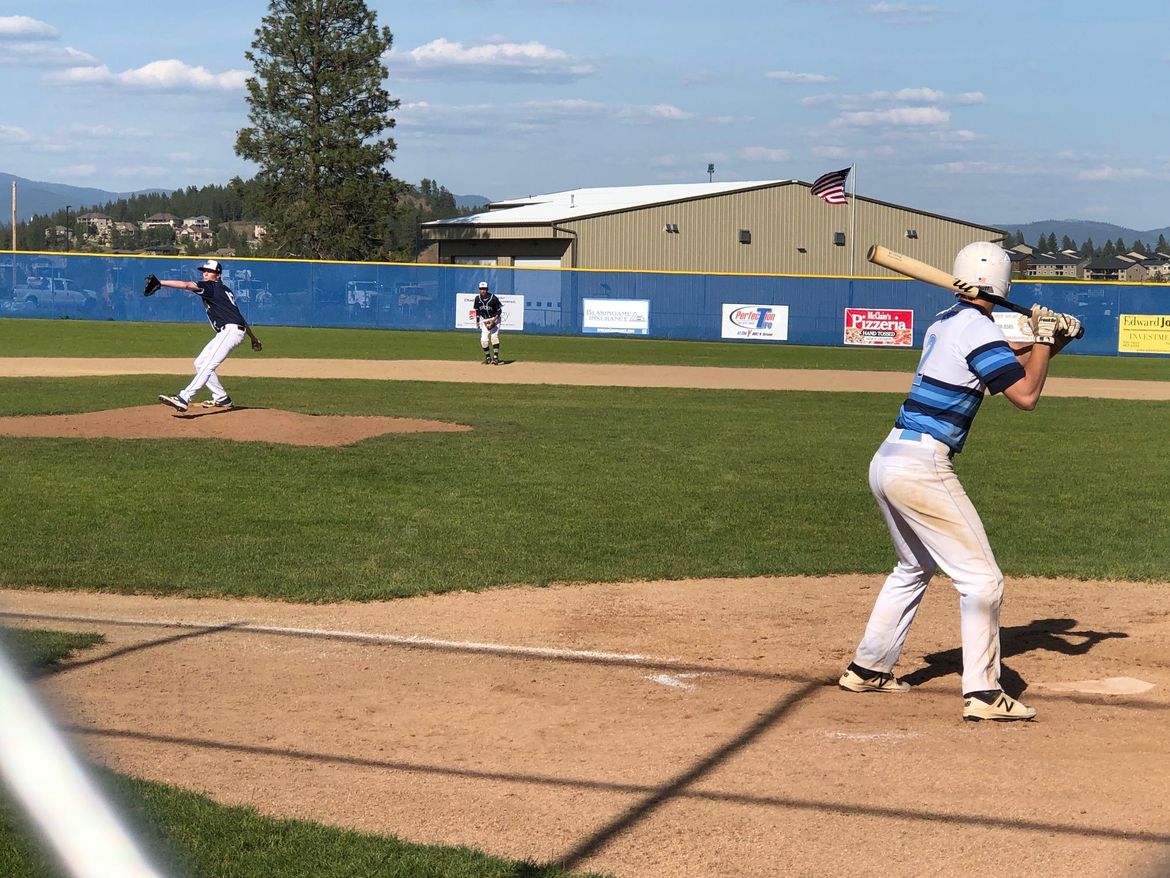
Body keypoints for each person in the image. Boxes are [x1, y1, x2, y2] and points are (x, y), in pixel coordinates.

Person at [838, 241, 1080, 722]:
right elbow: (1025, 393)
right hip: (922, 466)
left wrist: (1053, 341)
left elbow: (1013, 360)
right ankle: (985, 694)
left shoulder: (949, 322)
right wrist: (1048, 342)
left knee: (913, 568)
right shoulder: (977, 328)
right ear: (1004, 282)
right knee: (983, 580)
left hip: (890, 457)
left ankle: (868, 667)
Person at [156, 259, 262, 412]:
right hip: (231, 330)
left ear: (218, 275)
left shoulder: (211, 287)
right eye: (204, 270)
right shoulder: (226, 290)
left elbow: (186, 285)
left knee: (208, 365)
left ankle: (184, 397)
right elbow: (239, 316)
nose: (205, 273)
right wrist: (252, 337)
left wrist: (161, 282)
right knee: (200, 363)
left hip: (230, 331)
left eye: (209, 271)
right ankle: (221, 398)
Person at [472, 281, 504, 365]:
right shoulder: (477, 299)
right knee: (484, 340)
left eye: (484, 289)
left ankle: (496, 358)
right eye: (481, 289)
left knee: (494, 337)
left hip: (495, 318)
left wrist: (494, 320)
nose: (482, 290)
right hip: (485, 320)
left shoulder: (493, 298)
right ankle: (488, 357)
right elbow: (477, 311)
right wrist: (478, 322)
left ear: (487, 289)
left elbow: (499, 310)